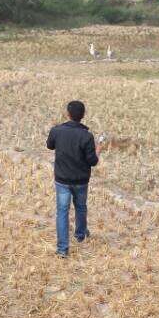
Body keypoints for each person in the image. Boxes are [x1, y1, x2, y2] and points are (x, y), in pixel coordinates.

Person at [46, 100, 101, 257]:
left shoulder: (57, 131)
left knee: (62, 212)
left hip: (62, 179)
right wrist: (98, 150)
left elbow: (49, 145)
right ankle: (80, 234)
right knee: (81, 207)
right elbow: (93, 161)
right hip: (81, 180)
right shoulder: (87, 136)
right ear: (83, 116)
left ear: (68, 114)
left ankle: (62, 249)